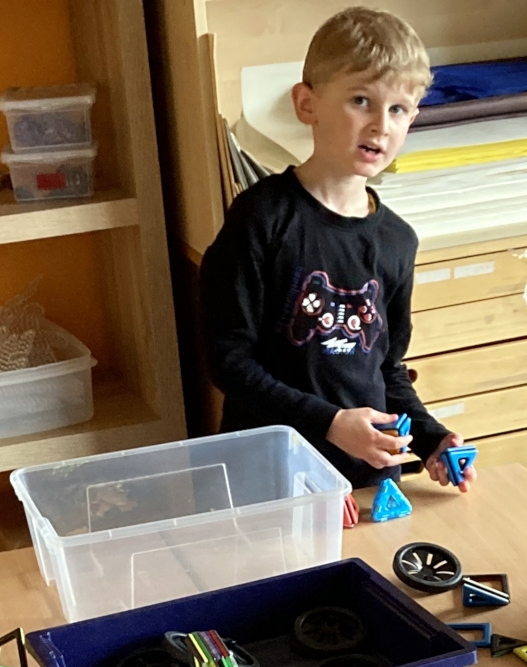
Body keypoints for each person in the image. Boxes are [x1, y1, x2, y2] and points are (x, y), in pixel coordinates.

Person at [199, 6, 475, 494]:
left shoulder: (396, 241)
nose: (380, 126)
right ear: (307, 104)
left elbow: (386, 370)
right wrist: (329, 423)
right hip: (270, 480)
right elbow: (228, 360)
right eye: (361, 101)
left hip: (366, 480)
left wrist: (431, 439)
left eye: (398, 110)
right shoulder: (261, 218)